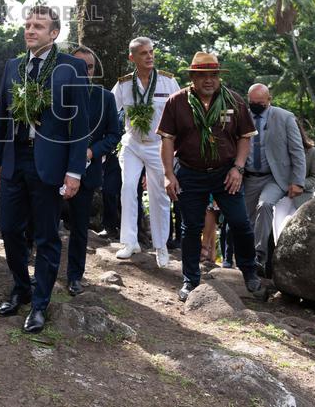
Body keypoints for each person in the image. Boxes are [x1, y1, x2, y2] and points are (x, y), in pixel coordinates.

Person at [0, 6, 89, 333]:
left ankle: (41, 303)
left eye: (38, 26)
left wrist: (75, 172)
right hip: (14, 160)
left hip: (50, 165)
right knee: (9, 228)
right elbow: (2, 115)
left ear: (54, 33)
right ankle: (21, 287)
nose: (30, 30)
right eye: (27, 25)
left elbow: (81, 124)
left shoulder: (71, 68)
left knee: (47, 236)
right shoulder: (13, 66)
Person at [157, 52, 263, 302]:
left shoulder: (235, 101)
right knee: (191, 227)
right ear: (193, 77)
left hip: (225, 173)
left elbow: (245, 138)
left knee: (240, 223)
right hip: (189, 173)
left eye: (213, 75)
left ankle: (250, 272)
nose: (209, 80)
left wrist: (238, 168)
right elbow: (167, 139)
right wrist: (168, 174)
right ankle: (190, 280)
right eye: (203, 75)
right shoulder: (177, 102)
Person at [111, 37, 180, 268]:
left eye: (151, 52)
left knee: (159, 196)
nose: (149, 56)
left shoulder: (168, 82)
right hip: (132, 143)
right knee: (128, 187)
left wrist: (177, 148)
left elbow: (182, 114)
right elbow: (110, 111)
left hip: (159, 146)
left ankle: (161, 246)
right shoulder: (122, 85)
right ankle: (129, 242)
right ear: (132, 58)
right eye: (143, 53)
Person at [67, 45, 122, 295]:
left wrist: (91, 152)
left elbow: (114, 134)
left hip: (87, 173)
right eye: (79, 66)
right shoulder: (55, 94)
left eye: (88, 67)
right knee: (42, 226)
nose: (84, 71)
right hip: (51, 171)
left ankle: (75, 277)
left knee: (79, 228)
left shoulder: (105, 97)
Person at [243, 83, 306, 274]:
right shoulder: (243, 116)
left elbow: (297, 150)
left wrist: (298, 181)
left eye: (260, 103)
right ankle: (243, 258)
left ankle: (259, 257)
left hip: (275, 177)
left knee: (265, 205)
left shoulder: (285, 117)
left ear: (269, 100)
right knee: (243, 219)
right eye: (252, 102)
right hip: (248, 177)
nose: (255, 106)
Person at [273, 119, 315, 242]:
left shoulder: (312, 152)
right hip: (280, 199)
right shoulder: (274, 152)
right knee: (279, 234)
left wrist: (299, 185)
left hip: (302, 199)